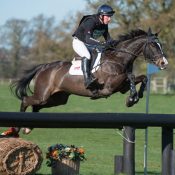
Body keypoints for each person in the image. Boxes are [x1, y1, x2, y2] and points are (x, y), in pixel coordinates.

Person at [72, 4, 115, 89]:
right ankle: (87, 79)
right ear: (101, 16)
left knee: (103, 53)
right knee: (87, 55)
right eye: (108, 17)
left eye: (110, 17)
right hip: (79, 42)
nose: (109, 19)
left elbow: (108, 39)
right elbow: (88, 39)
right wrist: (102, 44)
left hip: (90, 44)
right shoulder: (91, 21)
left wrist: (115, 45)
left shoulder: (104, 24)